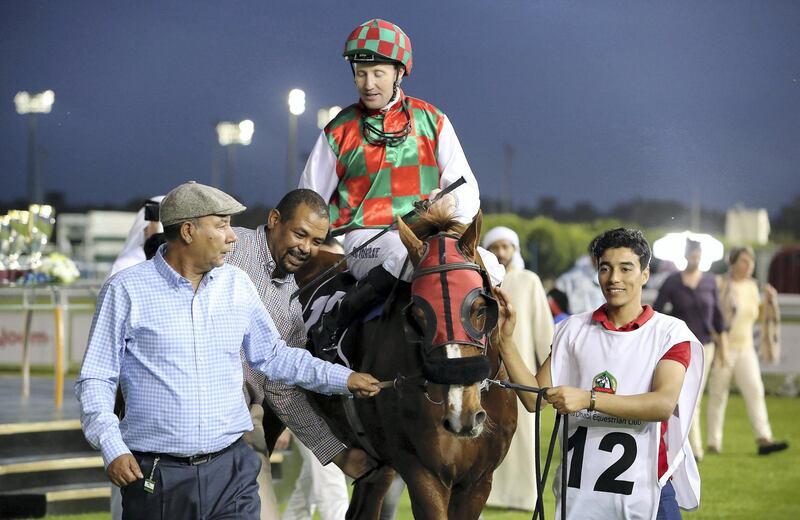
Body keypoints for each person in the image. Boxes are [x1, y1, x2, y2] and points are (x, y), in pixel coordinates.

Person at [75, 181, 381, 520]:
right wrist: (112, 445)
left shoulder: (238, 284)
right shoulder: (126, 289)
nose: (232, 235)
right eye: (222, 225)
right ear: (188, 231)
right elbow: (96, 378)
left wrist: (346, 379)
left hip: (232, 463)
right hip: (157, 471)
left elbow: (276, 362)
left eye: (317, 241)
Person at [299, 18, 503, 347]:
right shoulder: (339, 130)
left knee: (489, 265)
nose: (368, 83)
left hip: (427, 238)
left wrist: (448, 204)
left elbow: (467, 189)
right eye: (361, 73)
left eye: (378, 73)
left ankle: (495, 362)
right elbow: (307, 200)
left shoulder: (433, 120)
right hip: (367, 240)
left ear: (398, 72)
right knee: (403, 258)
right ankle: (333, 327)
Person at [497, 228, 703, 519]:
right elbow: (534, 398)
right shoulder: (572, 329)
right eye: (605, 268)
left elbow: (662, 405)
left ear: (644, 274)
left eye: (625, 268)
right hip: (579, 497)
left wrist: (588, 399)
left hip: (647, 496)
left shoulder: (671, 333)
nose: (614, 278)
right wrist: (505, 341)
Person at [224, 189, 354, 520]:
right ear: (274, 220)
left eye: (315, 241)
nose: (307, 248)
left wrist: (336, 454)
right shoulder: (229, 248)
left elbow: (284, 389)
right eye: (300, 234)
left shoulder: (292, 305)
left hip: (243, 429)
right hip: (184, 422)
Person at [482, 226, 554, 512]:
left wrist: (547, 366)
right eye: (495, 247)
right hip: (487, 374)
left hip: (521, 371)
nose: (501, 252)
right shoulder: (481, 278)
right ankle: (489, 493)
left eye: (506, 246)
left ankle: (525, 497)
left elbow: (543, 330)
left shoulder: (529, 280)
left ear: (515, 249)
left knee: (523, 434)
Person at [706, 246, 789, 456]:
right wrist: (719, 343)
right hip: (724, 347)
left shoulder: (753, 287)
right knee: (718, 394)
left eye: (750, 261)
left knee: (755, 391)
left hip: (746, 348)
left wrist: (770, 301)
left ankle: (764, 438)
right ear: (733, 262)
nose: (749, 265)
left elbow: (757, 316)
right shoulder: (720, 284)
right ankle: (713, 442)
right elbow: (713, 316)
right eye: (744, 260)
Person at [653, 238, 729, 461]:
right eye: (692, 253)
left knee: (695, 397)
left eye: (698, 253)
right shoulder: (672, 282)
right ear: (686, 256)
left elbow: (717, 317)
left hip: (706, 346)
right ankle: (694, 449)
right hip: (681, 347)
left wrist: (723, 348)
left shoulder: (710, 282)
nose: (695, 257)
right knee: (686, 398)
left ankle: (698, 447)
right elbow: (658, 310)